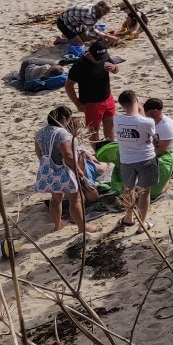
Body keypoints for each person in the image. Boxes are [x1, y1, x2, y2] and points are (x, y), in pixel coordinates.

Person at [33, 106, 87, 235]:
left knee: (56, 199)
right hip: (65, 171)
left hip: (51, 171)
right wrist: (78, 169)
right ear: (65, 119)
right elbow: (68, 155)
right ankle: (82, 229)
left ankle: (57, 224)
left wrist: (48, 165)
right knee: (76, 200)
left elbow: (39, 152)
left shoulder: (40, 132)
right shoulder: (61, 134)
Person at [113, 91, 158, 233]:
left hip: (126, 159)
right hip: (145, 158)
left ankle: (129, 217)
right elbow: (152, 138)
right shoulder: (147, 121)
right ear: (137, 101)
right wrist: (142, 114)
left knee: (128, 189)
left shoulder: (117, 119)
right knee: (145, 192)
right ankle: (142, 223)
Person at [65, 39, 120, 141]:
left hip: (108, 98)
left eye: (102, 58)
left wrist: (114, 68)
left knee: (110, 126)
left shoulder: (104, 56)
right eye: (97, 58)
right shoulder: (79, 65)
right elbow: (69, 86)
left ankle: (110, 148)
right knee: (94, 131)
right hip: (91, 103)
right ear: (90, 53)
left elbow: (116, 70)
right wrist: (77, 103)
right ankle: (98, 154)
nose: (100, 60)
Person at [144, 98, 173, 183]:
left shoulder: (167, 127)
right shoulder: (152, 122)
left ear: (154, 112)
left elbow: (161, 151)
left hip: (166, 158)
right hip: (153, 153)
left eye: (147, 113)